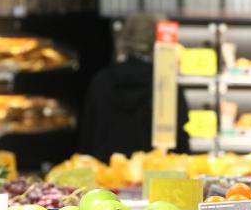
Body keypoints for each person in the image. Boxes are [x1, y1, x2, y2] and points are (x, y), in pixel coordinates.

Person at [79, 13, 190, 161]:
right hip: (157, 177)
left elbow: (87, 139)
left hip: (107, 178)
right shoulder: (166, 85)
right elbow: (181, 144)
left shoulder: (102, 81)